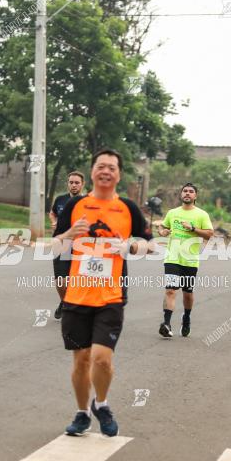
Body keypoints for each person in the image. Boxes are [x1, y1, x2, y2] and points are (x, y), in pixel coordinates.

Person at [53, 149, 150, 437]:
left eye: (112, 167)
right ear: (93, 171)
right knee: (80, 359)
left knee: (101, 358)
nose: (106, 171)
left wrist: (131, 247)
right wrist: (68, 235)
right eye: (101, 166)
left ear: (119, 174)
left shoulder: (128, 208)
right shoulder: (76, 206)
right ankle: (82, 413)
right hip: (77, 296)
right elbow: (54, 245)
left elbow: (150, 244)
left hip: (111, 296)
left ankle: (102, 403)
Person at [155, 183, 214, 338]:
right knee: (170, 290)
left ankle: (186, 317)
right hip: (172, 258)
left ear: (196, 196)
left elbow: (209, 234)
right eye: (185, 191)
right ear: (181, 195)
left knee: (187, 293)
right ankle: (166, 324)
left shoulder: (201, 215)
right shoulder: (172, 213)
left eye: (191, 191)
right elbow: (161, 228)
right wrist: (163, 231)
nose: (187, 193)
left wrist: (193, 228)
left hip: (190, 260)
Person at [49, 171, 85, 319]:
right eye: (71, 182)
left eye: (77, 183)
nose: (74, 185)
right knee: (61, 281)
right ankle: (65, 302)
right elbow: (52, 213)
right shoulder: (60, 200)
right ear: (68, 184)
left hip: (81, 246)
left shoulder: (87, 203)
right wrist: (54, 222)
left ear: (82, 185)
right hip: (61, 244)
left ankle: (72, 307)